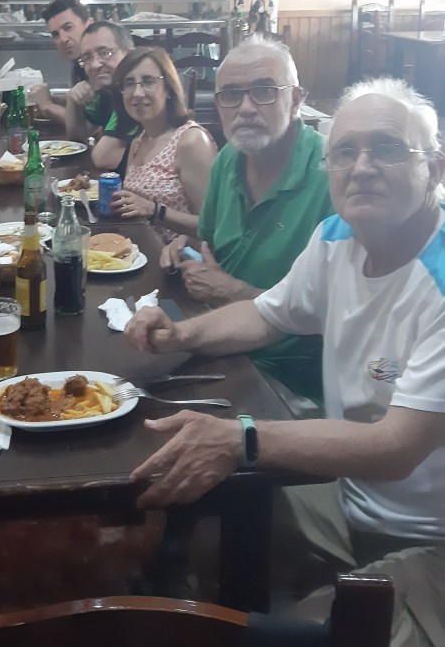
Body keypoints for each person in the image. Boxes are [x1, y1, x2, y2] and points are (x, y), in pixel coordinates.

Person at [125, 78, 445, 647]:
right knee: (203, 531)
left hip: (430, 539)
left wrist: (244, 439)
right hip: (350, 496)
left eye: (387, 149)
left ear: (436, 166)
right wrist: (181, 333)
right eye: (345, 152)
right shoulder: (336, 237)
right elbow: (269, 315)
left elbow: (397, 447)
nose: (362, 167)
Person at [161, 34, 333, 404]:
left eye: (264, 91)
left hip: (293, 384)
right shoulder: (228, 159)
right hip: (223, 347)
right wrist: (187, 247)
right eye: (231, 95)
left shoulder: (333, 176)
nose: (246, 108)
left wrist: (233, 291)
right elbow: (213, 245)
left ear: (296, 100)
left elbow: (339, 320)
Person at [108, 47, 217, 242]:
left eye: (148, 81)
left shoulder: (191, 141)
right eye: (129, 83)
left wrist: (155, 210)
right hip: (137, 251)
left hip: (178, 257)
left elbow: (213, 227)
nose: (137, 93)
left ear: (168, 88)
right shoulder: (138, 141)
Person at [65, 20, 138, 171]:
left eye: (105, 53)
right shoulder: (105, 93)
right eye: (87, 58)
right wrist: (73, 100)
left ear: (129, 54)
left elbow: (104, 159)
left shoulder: (136, 95)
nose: (95, 65)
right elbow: (77, 137)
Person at [30, 0, 91, 126]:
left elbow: (90, 125)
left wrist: (47, 105)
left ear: (89, 25)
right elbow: (85, 107)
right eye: (56, 34)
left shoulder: (101, 66)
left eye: (68, 28)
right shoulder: (79, 65)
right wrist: (56, 100)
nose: (63, 39)